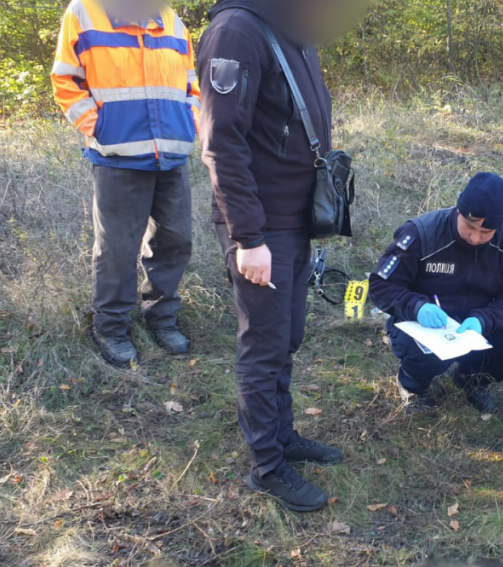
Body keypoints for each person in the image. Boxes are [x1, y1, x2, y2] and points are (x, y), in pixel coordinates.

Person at [198, 0, 343, 513]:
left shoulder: (291, 28)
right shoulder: (236, 31)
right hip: (261, 228)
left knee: (287, 336)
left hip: (294, 220)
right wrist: (248, 237)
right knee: (263, 348)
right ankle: (266, 465)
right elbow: (221, 143)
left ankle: (282, 436)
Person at [51, 0, 199, 367]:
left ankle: (161, 318)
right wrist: (99, 129)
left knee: (175, 240)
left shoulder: (172, 20)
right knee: (116, 249)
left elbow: (190, 85)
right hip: (118, 157)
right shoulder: (84, 12)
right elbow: (65, 79)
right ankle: (111, 328)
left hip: (171, 154)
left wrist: (188, 124)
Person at [370, 173, 503, 414]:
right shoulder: (421, 233)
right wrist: (417, 307)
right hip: (425, 323)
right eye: (469, 227)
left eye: (486, 233)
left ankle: (471, 378)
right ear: (459, 212)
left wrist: (484, 320)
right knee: (427, 353)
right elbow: (382, 284)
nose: (475, 238)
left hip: (478, 323)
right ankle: (412, 385)